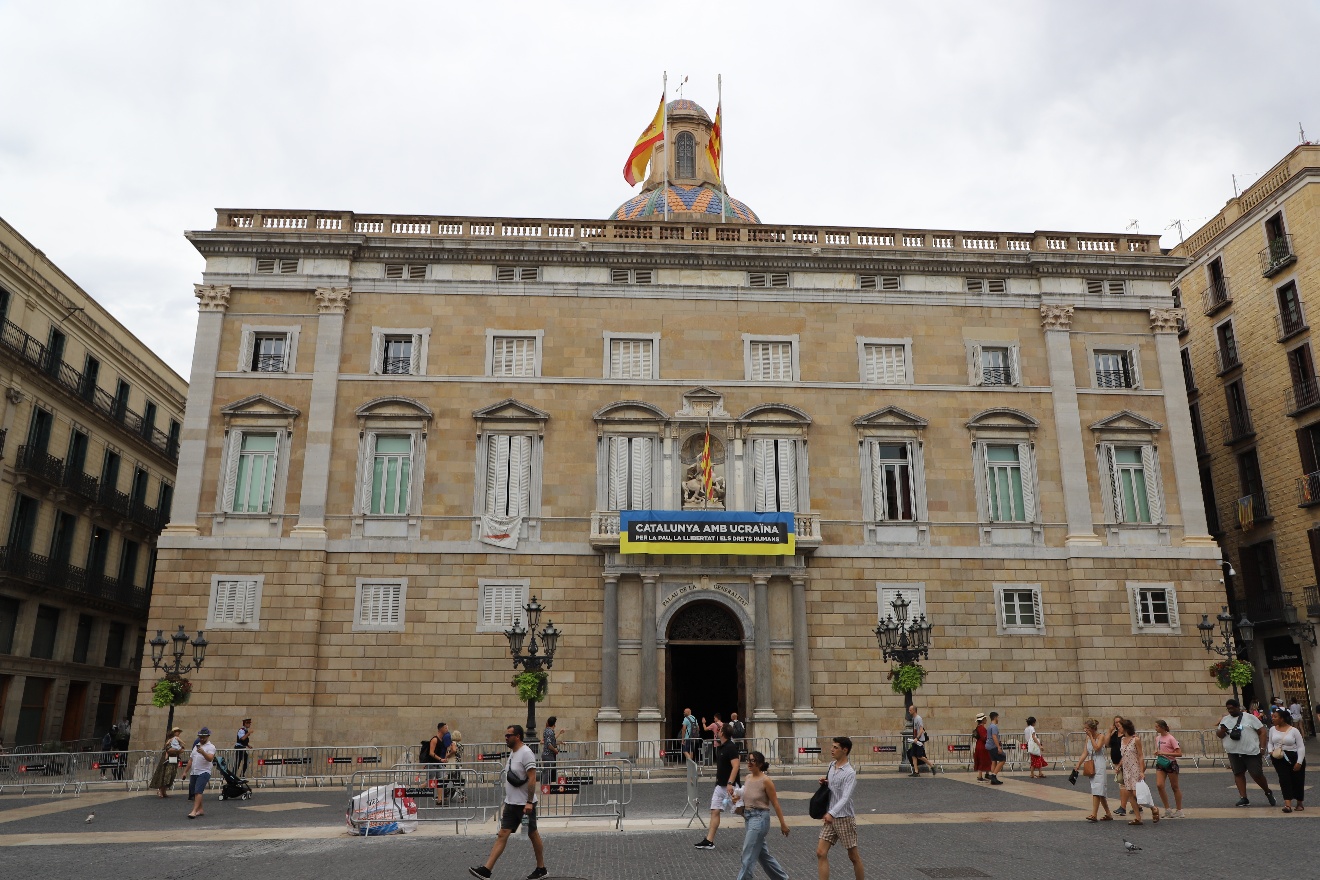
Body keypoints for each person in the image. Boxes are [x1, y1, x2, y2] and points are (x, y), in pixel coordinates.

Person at [469, 725, 547, 880]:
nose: (506, 737)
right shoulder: (513, 753)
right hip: (511, 804)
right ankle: (486, 870)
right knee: (502, 834)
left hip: (524, 805)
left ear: (517, 736)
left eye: (508, 735)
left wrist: (529, 802)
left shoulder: (526, 753)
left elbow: (532, 778)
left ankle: (541, 868)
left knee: (532, 834)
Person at [735, 750, 789, 880]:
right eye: (748, 760)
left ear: (759, 763)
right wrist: (736, 800)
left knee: (747, 855)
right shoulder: (747, 778)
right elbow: (745, 798)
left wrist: (783, 824)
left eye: (752, 760)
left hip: (760, 819)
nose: (749, 762)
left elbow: (775, 803)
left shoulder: (766, 781)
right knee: (762, 855)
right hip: (748, 817)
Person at [816, 736, 863, 880]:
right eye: (832, 746)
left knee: (853, 856)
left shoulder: (850, 773)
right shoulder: (831, 766)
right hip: (830, 817)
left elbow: (845, 797)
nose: (832, 750)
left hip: (844, 818)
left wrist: (832, 813)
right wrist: (826, 782)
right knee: (820, 852)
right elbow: (835, 787)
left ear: (845, 750)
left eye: (835, 747)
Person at [1216, 697, 1276, 807]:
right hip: (1233, 752)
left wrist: (1262, 748)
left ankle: (1267, 791)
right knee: (1238, 773)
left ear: (1238, 707)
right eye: (1228, 708)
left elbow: (1262, 732)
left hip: (1251, 752)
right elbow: (1219, 735)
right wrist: (1222, 730)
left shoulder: (1250, 718)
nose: (1230, 710)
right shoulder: (1225, 720)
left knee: (1256, 774)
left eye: (1232, 708)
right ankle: (1243, 798)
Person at [695, 723, 742, 849]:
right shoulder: (721, 747)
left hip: (731, 787)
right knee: (714, 810)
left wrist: (730, 783)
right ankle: (709, 840)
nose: (717, 731)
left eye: (719, 730)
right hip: (719, 786)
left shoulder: (731, 747)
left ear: (722, 733)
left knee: (742, 811)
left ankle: (756, 834)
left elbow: (736, 766)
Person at [1118, 718, 1156, 824]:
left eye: (1120, 726)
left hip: (1135, 768)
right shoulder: (1122, 740)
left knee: (1137, 793)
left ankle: (1153, 808)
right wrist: (1119, 765)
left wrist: (1142, 770)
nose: (1118, 728)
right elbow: (1124, 754)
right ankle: (1138, 817)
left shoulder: (1136, 740)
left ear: (1125, 727)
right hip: (1126, 769)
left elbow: (1140, 755)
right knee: (1130, 793)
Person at [1268, 706, 1306, 812]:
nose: (1273, 718)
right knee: (1284, 780)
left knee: (1297, 780)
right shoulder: (1272, 729)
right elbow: (1270, 742)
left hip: (1294, 756)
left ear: (1282, 718)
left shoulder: (1294, 731)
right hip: (1279, 758)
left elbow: (1301, 746)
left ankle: (1299, 802)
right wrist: (1270, 751)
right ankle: (1287, 804)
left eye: (1275, 717)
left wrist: (1299, 762)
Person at [1074, 718, 1113, 822]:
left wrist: (1091, 737)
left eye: (1087, 728)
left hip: (1099, 763)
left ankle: (1094, 814)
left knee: (1097, 789)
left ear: (1092, 729)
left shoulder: (1101, 736)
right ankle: (1108, 813)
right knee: (1099, 790)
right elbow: (1085, 752)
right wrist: (1078, 764)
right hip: (1091, 762)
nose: (1085, 730)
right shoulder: (1087, 738)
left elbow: (1097, 748)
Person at [1153, 719, 1184, 818]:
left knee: (1175, 787)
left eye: (1157, 726)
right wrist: (1157, 752)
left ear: (1162, 727)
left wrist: (1165, 753)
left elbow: (1179, 753)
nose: (1155, 728)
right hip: (1161, 763)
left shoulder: (1171, 738)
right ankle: (1167, 809)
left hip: (1170, 763)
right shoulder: (1157, 738)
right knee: (1159, 785)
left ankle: (1179, 809)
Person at [186, 727, 217, 819]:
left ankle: (194, 811)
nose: (202, 739)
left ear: (208, 736)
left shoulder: (211, 747)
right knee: (194, 791)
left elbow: (210, 758)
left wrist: (203, 752)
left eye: (203, 737)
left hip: (204, 771)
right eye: (200, 737)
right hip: (194, 772)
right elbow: (191, 760)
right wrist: (185, 771)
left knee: (198, 791)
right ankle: (200, 809)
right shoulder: (196, 746)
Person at [149, 726, 184, 798]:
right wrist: (177, 751)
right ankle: (161, 790)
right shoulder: (170, 740)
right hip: (168, 761)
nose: (179, 733)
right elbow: (168, 749)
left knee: (171, 775)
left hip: (174, 760)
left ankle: (164, 791)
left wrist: (179, 750)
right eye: (178, 731)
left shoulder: (177, 740)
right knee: (166, 775)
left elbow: (182, 748)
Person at [907, 704, 936, 776]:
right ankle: (916, 772)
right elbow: (915, 729)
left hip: (919, 740)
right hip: (915, 739)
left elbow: (921, 729)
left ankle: (931, 765)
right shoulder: (914, 718)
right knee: (913, 755)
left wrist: (917, 738)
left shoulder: (918, 718)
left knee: (919, 756)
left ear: (914, 710)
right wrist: (914, 738)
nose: (909, 711)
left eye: (910, 710)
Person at [1107, 715, 1125, 814]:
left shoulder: (1127, 734)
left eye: (1119, 722)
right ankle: (1138, 806)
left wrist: (1120, 764)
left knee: (1124, 785)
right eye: (1115, 722)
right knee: (1124, 785)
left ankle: (1123, 807)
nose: (1117, 724)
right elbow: (1106, 744)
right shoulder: (1114, 734)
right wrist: (1109, 732)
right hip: (1116, 761)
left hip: (1124, 762)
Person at [985, 712, 1005, 784]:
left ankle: (993, 777)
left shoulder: (990, 726)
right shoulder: (994, 727)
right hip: (993, 746)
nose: (998, 719)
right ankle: (994, 775)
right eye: (998, 717)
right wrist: (998, 747)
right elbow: (994, 736)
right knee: (1003, 759)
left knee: (994, 760)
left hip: (989, 746)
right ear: (995, 717)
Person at [973, 713, 991, 781]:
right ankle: (980, 776)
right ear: (982, 720)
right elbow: (984, 737)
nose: (986, 720)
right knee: (982, 759)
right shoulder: (981, 728)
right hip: (982, 746)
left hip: (980, 745)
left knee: (986, 759)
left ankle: (987, 773)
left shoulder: (979, 727)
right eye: (985, 719)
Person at [541, 716, 559, 781]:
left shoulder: (546, 731)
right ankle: (545, 788)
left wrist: (559, 743)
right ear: (554, 724)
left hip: (546, 754)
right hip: (549, 755)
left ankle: (545, 787)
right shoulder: (550, 732)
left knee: (547, 772)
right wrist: (555, 750)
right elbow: (549, 744)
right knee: (547, 773)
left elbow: (550, 742)